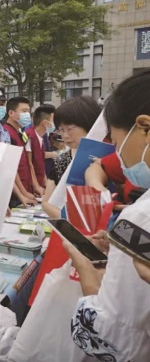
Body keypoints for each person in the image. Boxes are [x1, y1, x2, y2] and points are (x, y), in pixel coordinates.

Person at [64, 70, 150, 361]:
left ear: (144, 128)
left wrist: (86, 268)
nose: (116, 153)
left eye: (115, 141)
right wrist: (117, 256)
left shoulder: (140, 218)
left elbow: (110, 339)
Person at [42, 96, 101, 218]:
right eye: (61, 130)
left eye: (70, 129)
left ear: (89, 124)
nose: (65, 136)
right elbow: (46, 203)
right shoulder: (60, 161)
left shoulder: (107, 157)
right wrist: (73, 221)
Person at [3, 97, 40, 202]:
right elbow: (10, 168)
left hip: (25, 189)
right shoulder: (6, 133)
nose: (27, 114)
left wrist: (34, 186)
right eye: (24, 111)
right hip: (15, 194)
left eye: (28, 111)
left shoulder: (19, 133)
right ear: (11, 113)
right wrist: (23, 193)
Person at [25, 104, 56, 196]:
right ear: (45, 123)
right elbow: (29, 164)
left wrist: (46, 184)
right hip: (32, 188)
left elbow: (41, 164)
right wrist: (36, 186)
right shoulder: (29, 135)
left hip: (40, 187)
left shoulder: (41, 137)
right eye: (54, 120)